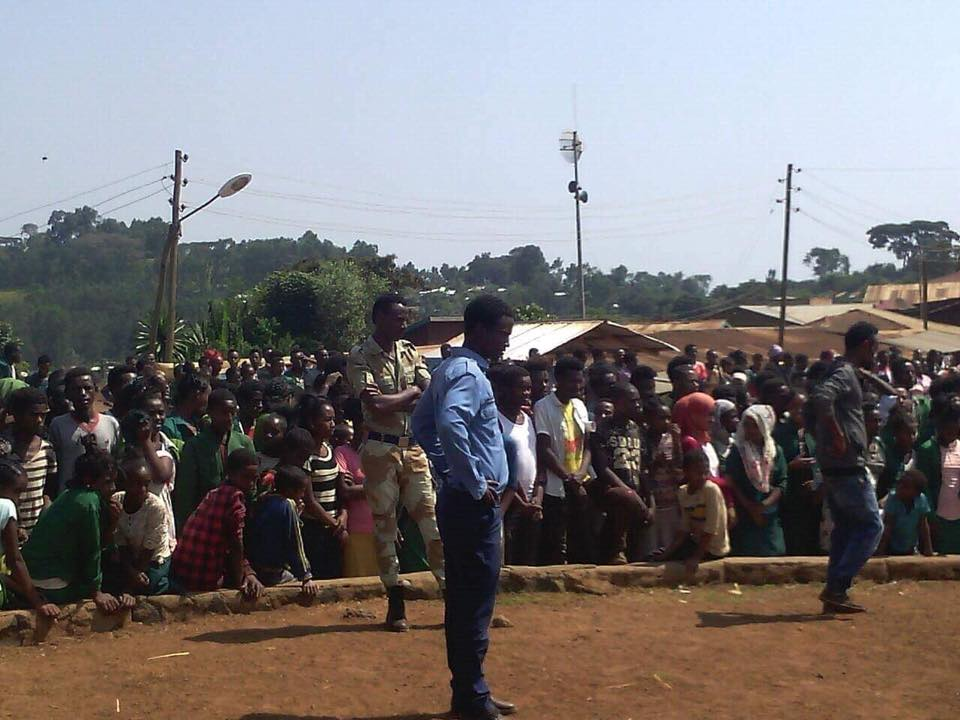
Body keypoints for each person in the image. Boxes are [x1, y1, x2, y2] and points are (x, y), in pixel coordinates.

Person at [412, 294, 516, 720]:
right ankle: (472, 696)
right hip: (474, 504)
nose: (506, 343)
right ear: (478, 330)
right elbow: (450, 422)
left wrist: (447, 468)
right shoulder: (469, 373)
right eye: (501, 333)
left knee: (465, 596)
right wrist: (472, 480)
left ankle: (470, 692)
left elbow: (422, 422)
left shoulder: (450, 369)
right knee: (474, 598)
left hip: (463, 498)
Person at [346, 292, 443, 631]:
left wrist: (404, 398)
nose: (403, 323)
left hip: (413, 449)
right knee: (385, 527)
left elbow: (428, 394)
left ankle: (450, 593)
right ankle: (395, 599)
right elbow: (377, 405)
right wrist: (411, 395)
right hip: (380, 450)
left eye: (405, 318)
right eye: (397, 318)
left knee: (431, 523)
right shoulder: (360, 356)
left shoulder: (410, 351)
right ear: (378, 318)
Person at [810, 321, 883, 614]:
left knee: (845, 530)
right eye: (875, 347)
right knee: (871, 526)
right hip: (848, 465)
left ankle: (835, 592)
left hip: (834, 466)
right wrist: (838, 434)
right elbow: (822, 397)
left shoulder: (844, 371)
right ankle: (837, 586)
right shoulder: (844, 372)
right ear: (866, 345)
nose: (876, 353)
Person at [22, 448, 135, 613]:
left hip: (34, 571)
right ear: (89, 480)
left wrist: (113, 522)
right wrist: (96, 592)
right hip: (50, 579)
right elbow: (92, 551)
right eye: (107, 482)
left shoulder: (72, 494)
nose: (113, 488)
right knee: (113, 583)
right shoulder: (88, 502)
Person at [171, 448, 264, 597]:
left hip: (181, 572)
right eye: (247, 477)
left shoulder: (214, 493)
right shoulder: (235, 497)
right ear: (231, 473)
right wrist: (240, 579)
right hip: (203, 577)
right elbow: (235, 544)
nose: (252, 484)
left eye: (255, 478)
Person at [533, 355, 592, 566]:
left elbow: (587, 445)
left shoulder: (580, 406)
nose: (577, 385)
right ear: (558, 381)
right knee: (555, 536)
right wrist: (568, 478)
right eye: (571, 381)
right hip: (557, 483)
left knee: (580, 533)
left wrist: (579, 475)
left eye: (579, 380)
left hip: (579, 480)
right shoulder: (543, 407)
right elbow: (544, 448)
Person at [173, 388, 255, 533]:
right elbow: (185, 494)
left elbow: (252, 484)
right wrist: (187, 528)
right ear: (210, 412)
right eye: (223, 413)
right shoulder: (195, 446)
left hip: (239, 520)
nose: (229, 418)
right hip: (206, 522)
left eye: (232, 413)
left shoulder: (244, 443)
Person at [590, 381, 653, 564]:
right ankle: (617, 551)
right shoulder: (602, 430)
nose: (637, 405)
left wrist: (651, 502)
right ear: (618, 402)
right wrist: (629, 493)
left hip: (637, 492)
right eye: (632, 401)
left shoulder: (638, 431)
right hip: (611, 491)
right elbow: (602, 468)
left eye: (638, 401)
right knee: (621, 503)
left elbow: (643, 468)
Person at [0, 448, 60, 618]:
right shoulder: (6, 506)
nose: (18, 499)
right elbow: (15, 560)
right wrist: (36, 600)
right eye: (17, 492)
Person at [491, 364, 542, 566]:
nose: (527, 393)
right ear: (503, 390)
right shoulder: (495, 419)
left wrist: (537, 498)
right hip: (510, 501)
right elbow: (504, 465)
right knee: (509, 557)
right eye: (521, 388)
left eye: (529, 388)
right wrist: (522, 503)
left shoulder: (528, 420)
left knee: (528, 556)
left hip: (532, 500)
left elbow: (537, 458)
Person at [654, 448, 729, 579]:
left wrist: (696, 558)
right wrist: (667, 553)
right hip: (696, 543)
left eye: (705, 472)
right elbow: (684, 528)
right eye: (698, 473)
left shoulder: (710, 490)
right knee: (655, 556)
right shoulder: (683, 492)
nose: (703, 477)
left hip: (714, 548)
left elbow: (711, 529)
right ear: (686, 472)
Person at [246, 465, 319, 596]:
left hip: (256, 567)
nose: (303, 495)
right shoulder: (287, 505)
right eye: (301, 491)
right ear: (291, 490)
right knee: (294, 582)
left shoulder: (263, 498)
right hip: (273, 572)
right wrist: (306, 576)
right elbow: (295, 542)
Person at [725, 405, 787, 557]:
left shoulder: (774, 451)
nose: (750, 430)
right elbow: (732, 482)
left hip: (769, 515)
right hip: (745, 514)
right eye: (746, 425)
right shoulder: (738, 452)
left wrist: (763, 506)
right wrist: (750, 507)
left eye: (755, 426)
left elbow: (782, 482)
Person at [48, 367, 121, 496]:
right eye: (76, 389)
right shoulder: (58, 425)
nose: (83, 393)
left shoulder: (111, 424)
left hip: (102, 498)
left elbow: (116, 461)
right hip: (69, 498)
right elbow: (54, 468)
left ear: (96, 390)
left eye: (87, 388)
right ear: (67, 393)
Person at [298, 395, 349, 580]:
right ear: (312, 423)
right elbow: (309, 501)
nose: (333, 424)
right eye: (327, 420)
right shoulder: (306, 456)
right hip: (315, 529)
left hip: (334, 527)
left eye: (333, 419)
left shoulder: (329, 450)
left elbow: (340, 490)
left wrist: (343, 516)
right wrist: (334, 523)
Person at [108, 456, 172, 595]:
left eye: (146, 484)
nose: (142, 489)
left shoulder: (155, 508)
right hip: (130, 556)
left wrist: (131, 585)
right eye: (136, 484)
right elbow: (119, 542)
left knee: (149, 585)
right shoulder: (116, 501)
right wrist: (131, 572)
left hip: (152, 557)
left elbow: (149, 550)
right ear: (125, 483)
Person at [334, 399, 380, 578]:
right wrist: (378, 486)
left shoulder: (377, 450)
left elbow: (394, 485)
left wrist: (360, 488)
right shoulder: (342, 452)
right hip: (357, 529)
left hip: (381, 526)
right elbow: (345, 491)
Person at [2, 388, 57, 536]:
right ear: (17, 415)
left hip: (38, 532)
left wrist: (46, 513)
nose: (39, 420)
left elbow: (49, 490)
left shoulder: (47, 450)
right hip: (7, 532)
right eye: (33, 415)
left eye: (43, 415)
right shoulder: (4, 451)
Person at [775, 392, 823, 556]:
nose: (800, 411)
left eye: (803, 408)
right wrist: (791, 465)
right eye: (796, 407)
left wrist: (817, 484)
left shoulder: (812, 432)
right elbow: (774, 465)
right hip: (791, 493)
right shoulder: (779, 433)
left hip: (811, 491)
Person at [914, 401, 960, 555]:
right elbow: (924, 487)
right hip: (938, 517)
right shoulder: (926, 449)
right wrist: (930, 517)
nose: (950, 431)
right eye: (947, 427)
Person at [645, 401, 683, 551]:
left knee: (669, 541)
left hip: (671, 499)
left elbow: (679, 464)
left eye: (668, 418)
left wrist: (677, 440)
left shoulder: (671, 438)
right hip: (654, 499)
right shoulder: (645, 438)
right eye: (661, 418)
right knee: (652, 543)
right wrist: (656, 462)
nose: (666, 422)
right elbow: (644, 468)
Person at [876, 469, 933, 556]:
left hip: (911, 548)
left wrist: (928, 548)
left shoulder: (921, 500)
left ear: (916, 492)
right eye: (899, 484)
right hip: (891, 548)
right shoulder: (893, 499)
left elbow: (923, 526)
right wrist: (881, 550)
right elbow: (888, 526)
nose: (900, 488)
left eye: (906, 487)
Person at [162, 374, 210, 444]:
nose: (209, 401)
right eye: (208, 395)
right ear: (197, 395)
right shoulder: (169, 427)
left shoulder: (201, 424)